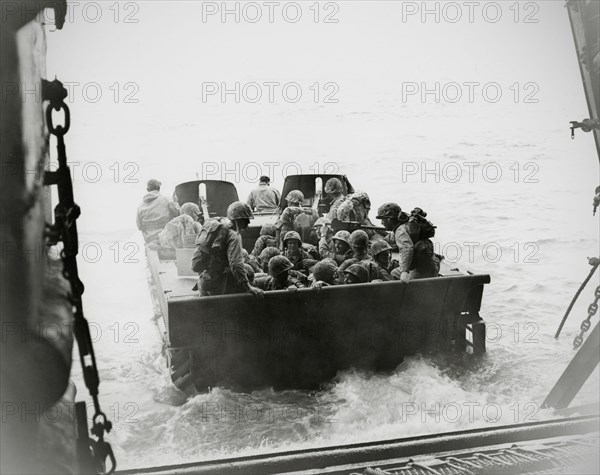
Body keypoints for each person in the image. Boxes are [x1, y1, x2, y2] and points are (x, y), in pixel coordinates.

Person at [191, 201, 263, 297]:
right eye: (246, 220)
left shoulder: (218, 228)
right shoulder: (234, 236)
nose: (248, 222)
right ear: (239, 220)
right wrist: (248, 287)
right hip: (216, 282)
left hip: (203, 278)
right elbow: (236, 265)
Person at [376, 203, 418, 283]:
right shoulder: (406, 225)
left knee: (394, 273)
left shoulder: (400, 231)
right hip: (427, 263)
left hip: (418, 269)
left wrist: (404, 271)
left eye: (383, 219)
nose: (382, 223)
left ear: (389, 219)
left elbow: (407, 248)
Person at [136, 179, 179, 244]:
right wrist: (176, 202)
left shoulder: (140, 206)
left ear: (147, 190)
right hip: (166, 239)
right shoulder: (167, 200)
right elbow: (178, 214)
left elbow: (139, 226)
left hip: (149, 241)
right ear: (158, 188)